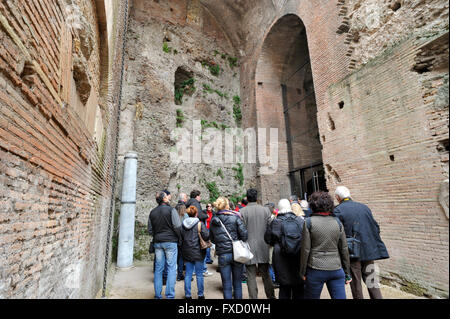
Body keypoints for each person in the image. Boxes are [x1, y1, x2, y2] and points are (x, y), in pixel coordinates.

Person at [333, 186, 389, 299]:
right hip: (368, 252)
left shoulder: (338, 210)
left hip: (352, 253)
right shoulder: (364, 207)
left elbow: (336, 233)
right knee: (372, 282)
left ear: (337, 197)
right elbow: (375, 227)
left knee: (356, 285)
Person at [300, 191, 352, 299]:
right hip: (336, 269)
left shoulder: (309, 222)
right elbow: (344, 248)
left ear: (313, 205)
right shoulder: (337, 222)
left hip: (315, 269)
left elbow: (305, 250)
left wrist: (303, 272)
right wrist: (347, 273)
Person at [209, 196, 248, 299]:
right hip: (237, 253)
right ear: (227, 205)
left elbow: (212, 239)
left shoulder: (214, 220)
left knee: (226, 285)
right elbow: (244, 236)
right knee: (237, 284)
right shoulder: (235, 218)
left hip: (223, 254)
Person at [265, 199, 304, 299]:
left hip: (280, 256)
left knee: (284, 288)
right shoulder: (300, 221)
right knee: (298, 287)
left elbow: (267, 239)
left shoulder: (275, 222)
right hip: (298, 255)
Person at [240, 188, 275, 299]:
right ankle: (271, 296)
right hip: (263, 245)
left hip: (248, 245)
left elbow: (241, 230)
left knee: (250, 275)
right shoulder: (265, 210)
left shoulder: (242, 212)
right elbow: (270, 228)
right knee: (265, 274)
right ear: (257, 197)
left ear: (247, 198)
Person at [148, 191, 182, 299]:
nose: (168, 198)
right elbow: (177, 226)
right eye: (167, 197)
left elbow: (150, 230)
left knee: (158, 269)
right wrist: (179, 238)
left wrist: (157, 235)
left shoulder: (152, 212)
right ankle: (170, 295)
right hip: (171, 242)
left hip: (158, 243)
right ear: (164, 199)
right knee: (171, 268)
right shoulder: (171, 210)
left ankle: (158, 295)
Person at [181, 206, 209, 299]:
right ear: (196, 213)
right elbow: (206, 236)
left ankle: (188, 295)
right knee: (199, 274)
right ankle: (200, 295)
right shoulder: (199, 224)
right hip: (199, 252)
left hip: (187, 252)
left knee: (188, 274)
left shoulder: (183, 224)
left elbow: (181, 237)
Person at [264, 202, 278, 287]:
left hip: (267, 243)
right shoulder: (273, 219)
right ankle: (273, 280)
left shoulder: (264, 218)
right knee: (271, 263)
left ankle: (272, 279)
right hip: (271, 243)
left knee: (270, 263)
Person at [175, 193, 188, 281]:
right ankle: (180, 275)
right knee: (181, 258)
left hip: (174, 238)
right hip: (182, 239)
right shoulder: (185, 216)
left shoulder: (174, 215)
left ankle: (174, 274)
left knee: (175, 257)